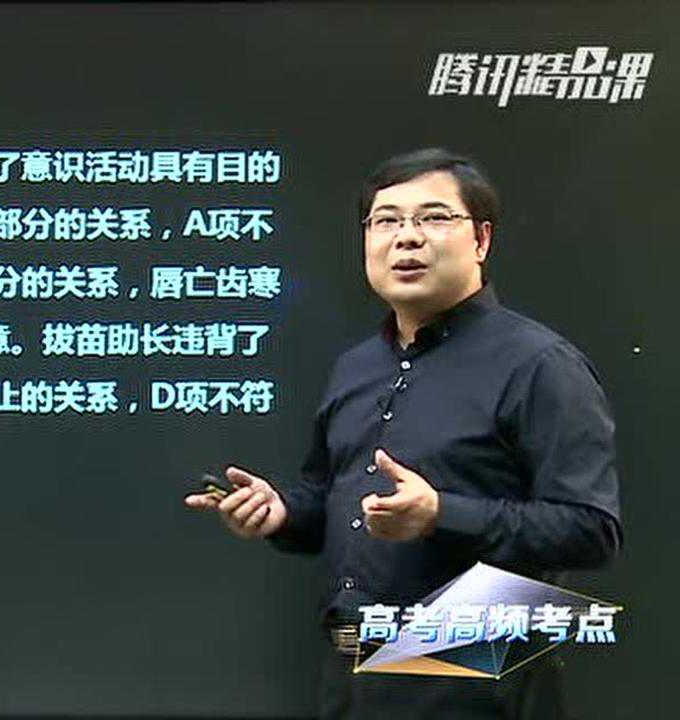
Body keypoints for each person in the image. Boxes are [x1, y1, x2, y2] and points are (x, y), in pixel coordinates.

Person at [184, 148, 623, 719]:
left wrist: (441, 513)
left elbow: (591, 530)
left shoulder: (539, 365)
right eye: (386, 221)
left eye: (434, 218)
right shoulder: (357, 367)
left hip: (474, 679)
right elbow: (332, 498)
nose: (407, 237)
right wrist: (282, 512)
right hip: (353, 673)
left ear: (481, 240)